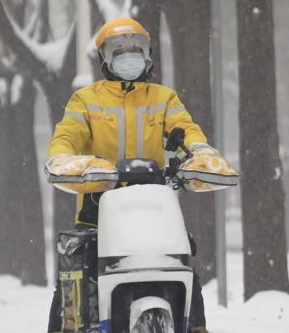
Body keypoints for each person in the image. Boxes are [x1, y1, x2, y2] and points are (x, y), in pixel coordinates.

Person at [45, 17, 219, 333]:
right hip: (97, 209)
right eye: (119, 50)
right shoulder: (85, 100)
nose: (128, 56)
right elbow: (66, 136)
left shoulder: (164, 98)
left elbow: (187, 130)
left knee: (185, 269)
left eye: (135, 49)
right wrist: (63, 158)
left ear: (148, 54)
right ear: (104, 58)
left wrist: (201, 153)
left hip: (154, 212)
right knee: (71, 285)